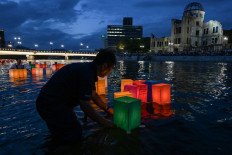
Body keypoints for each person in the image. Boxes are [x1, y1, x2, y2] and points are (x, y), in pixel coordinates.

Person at [36, 50, 116, 144]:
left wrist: (108, 109)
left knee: (63, 132)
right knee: (74, 133)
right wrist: (105, 122)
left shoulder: (88, 70)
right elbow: (85, 105)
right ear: (105, 66)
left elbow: (93, 95)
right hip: (49, 104)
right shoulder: (87, 74)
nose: (110, 72)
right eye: (111, 68)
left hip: (52, 103)